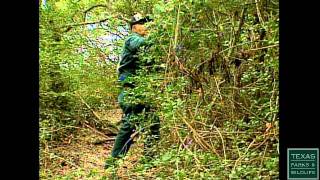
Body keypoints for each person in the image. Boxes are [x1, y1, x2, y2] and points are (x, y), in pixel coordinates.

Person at [104, 13, 160, 169]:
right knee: (130, 124)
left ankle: (149, 161)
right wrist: (161, 37)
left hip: (142, 90)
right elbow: (142, 44)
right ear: (134, 27)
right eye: (143, 23)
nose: (146, 26)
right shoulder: (132, 39)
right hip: (130, 90)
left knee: (153, 121)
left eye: (146, 23)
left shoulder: (146, 47)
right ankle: (112, 165)